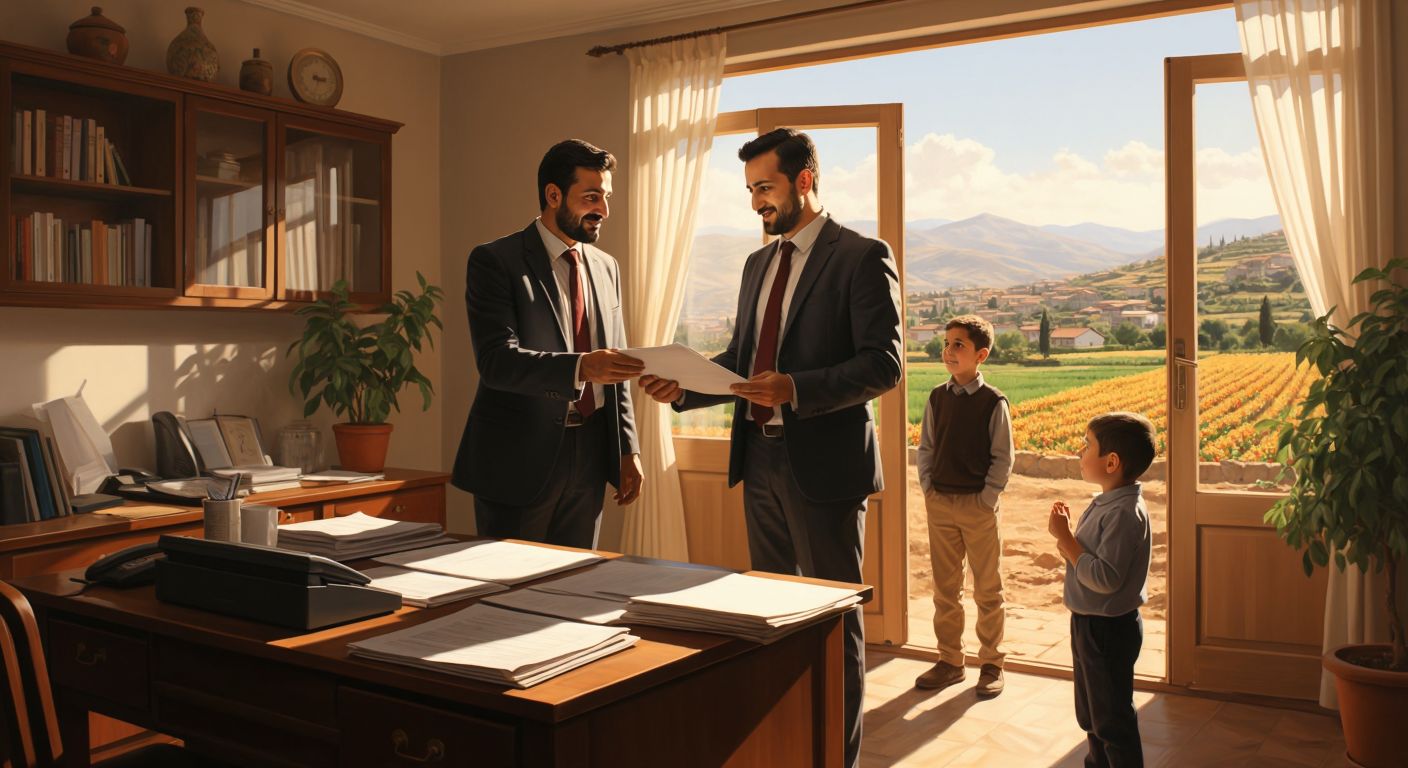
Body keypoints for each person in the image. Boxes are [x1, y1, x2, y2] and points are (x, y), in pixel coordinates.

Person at [640, 127, 903, 768]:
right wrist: (684, 390)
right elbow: (740, 362)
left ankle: (837, 760)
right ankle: (788, 747)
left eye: (766, 187)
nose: (756, 201)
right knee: (776, 620)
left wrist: (795, 389)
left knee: (833, 622)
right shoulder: (758, 265)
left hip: (824, 471)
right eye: (751, 190)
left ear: (804, 180)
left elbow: (884, 365)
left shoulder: (863, 256)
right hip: (757, 461)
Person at [452, 139, 644, 549]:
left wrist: (628, 449)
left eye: (606, 197)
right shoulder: (494, 261)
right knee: (511, 594)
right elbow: (496, 361)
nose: (604, 210)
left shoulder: (606, 266)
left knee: (574, 589)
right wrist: (582, 368)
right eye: (591, 197)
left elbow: (618, 368)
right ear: (553, 195)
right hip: (518, 461)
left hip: (591, 454)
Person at [1048, 412, 1156, 768]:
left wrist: (1067, 540)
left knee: (1112, 719)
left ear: (1111, 462)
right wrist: (1067, 541)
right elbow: (1087, 561)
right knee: (1092, 713)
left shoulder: (1125, 513)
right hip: (1089, 622)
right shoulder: (1106, 501)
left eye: (1087, 444)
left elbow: (1105, 578)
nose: (1079, 451)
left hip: (1109, 629)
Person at [913, 315, 1013, 696]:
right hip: (940, 503)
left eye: (959, 345)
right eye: (947, 343)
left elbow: (1003, 457)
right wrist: (928, 488)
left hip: (978, 507)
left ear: (980, 355)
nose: (949, 351)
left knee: (988, 588)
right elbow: (927, 447)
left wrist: (986, 499)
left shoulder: (993, 402)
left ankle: (991, 663)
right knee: (945, 589)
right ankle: (950, 660)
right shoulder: (937, 397)